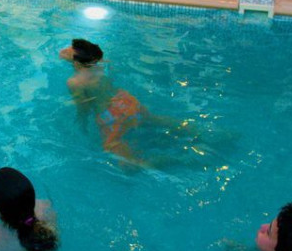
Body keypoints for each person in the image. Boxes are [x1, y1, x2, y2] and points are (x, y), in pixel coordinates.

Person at [60, 38, 193, 164]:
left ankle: (175, 160)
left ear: (77, 63)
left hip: (110, 115)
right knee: (153, 119)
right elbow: (111, 79)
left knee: (127, 163)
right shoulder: (104, 63)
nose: (65, 50)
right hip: (126, 101)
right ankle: (192, 130)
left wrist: (82, 123)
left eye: (70, 51)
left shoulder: (75, 82)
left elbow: (83, 107)